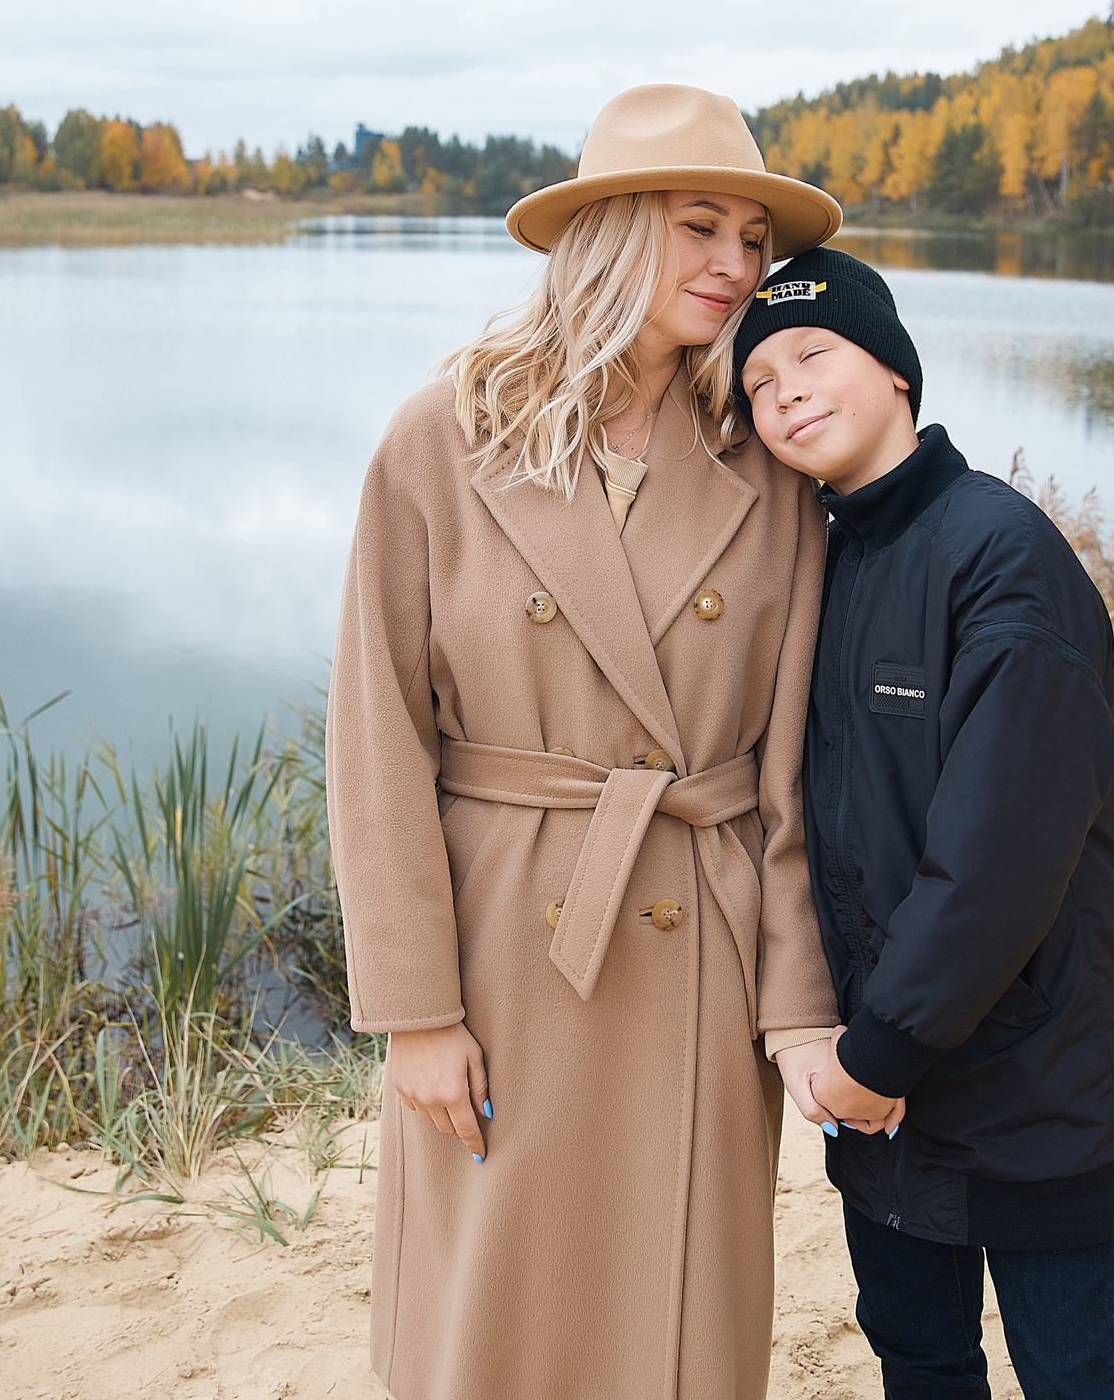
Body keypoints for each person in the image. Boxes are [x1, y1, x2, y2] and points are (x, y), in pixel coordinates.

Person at [326, 84, 865, 1400]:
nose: (734, 263)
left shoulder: (764, 461)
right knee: (496, 1311)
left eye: (751, 237)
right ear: (612, 230)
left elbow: (787, 770)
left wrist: (798, 1000)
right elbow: (376, 738)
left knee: (676, 1323)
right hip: (506, 945)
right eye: (699, 225)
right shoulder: (441, 438)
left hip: (697, 940)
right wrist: (414, 1011)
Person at [732, 247, 1114, 1400]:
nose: (785, 391)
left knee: (1078, 1375)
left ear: (895, 370)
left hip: (1023, 1082)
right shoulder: (823, 562)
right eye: (757, 383)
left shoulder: (1001, 559)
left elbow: (999, 862)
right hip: (880, 1100)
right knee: (918, 1359)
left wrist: (879, 1056)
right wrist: (846, 1051)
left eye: (812, 354)